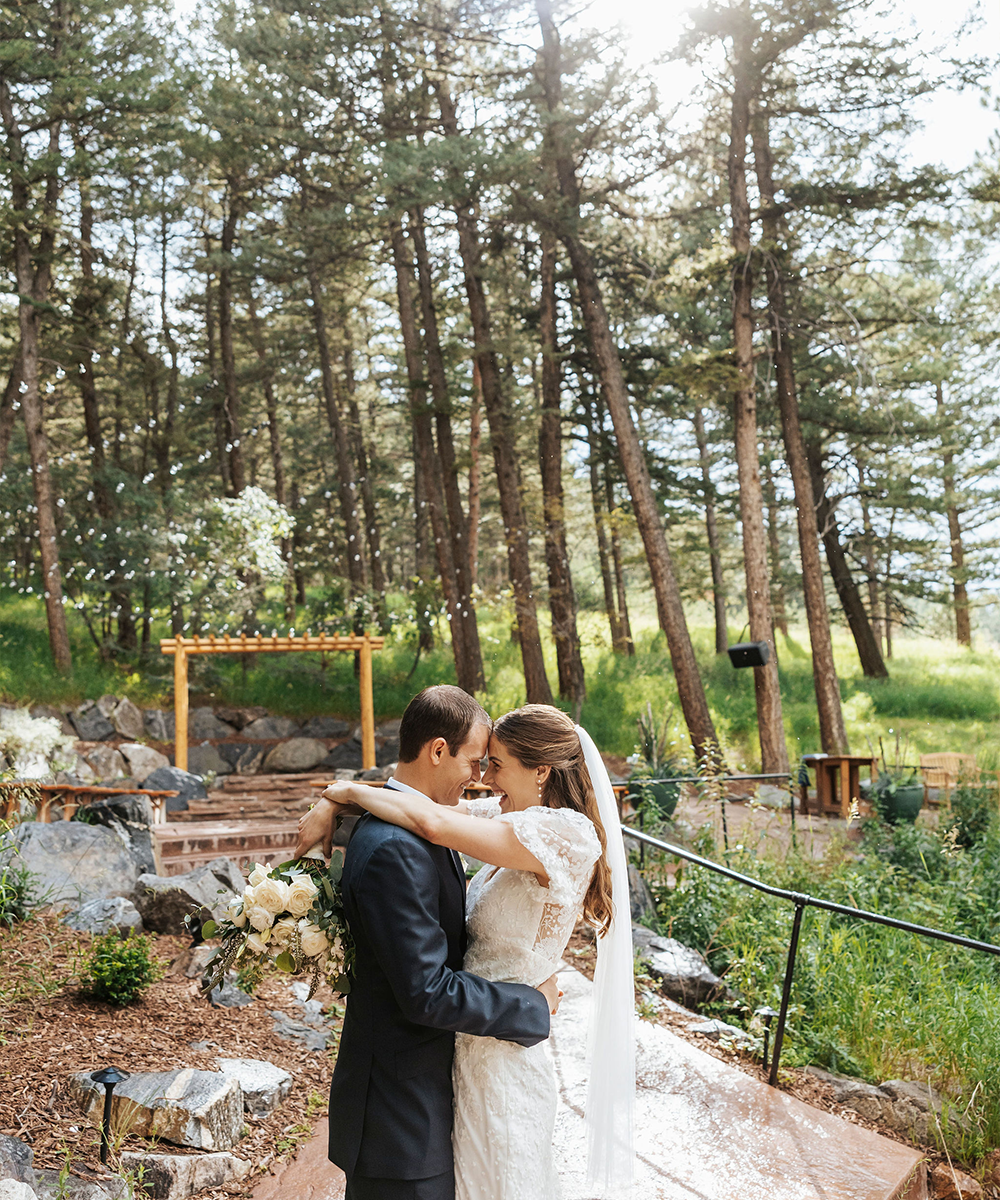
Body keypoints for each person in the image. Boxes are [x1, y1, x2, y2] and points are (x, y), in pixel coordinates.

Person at [298, 701, 635, 1200]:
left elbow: (433, 823)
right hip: (460, 1055)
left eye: (495, 764)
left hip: (503, 1058)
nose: (483, 778)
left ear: (541, 770)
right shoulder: (508, 817)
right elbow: (425, 807)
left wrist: (345, 790)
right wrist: (333, 803)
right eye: (481, 763)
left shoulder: (565, 833)